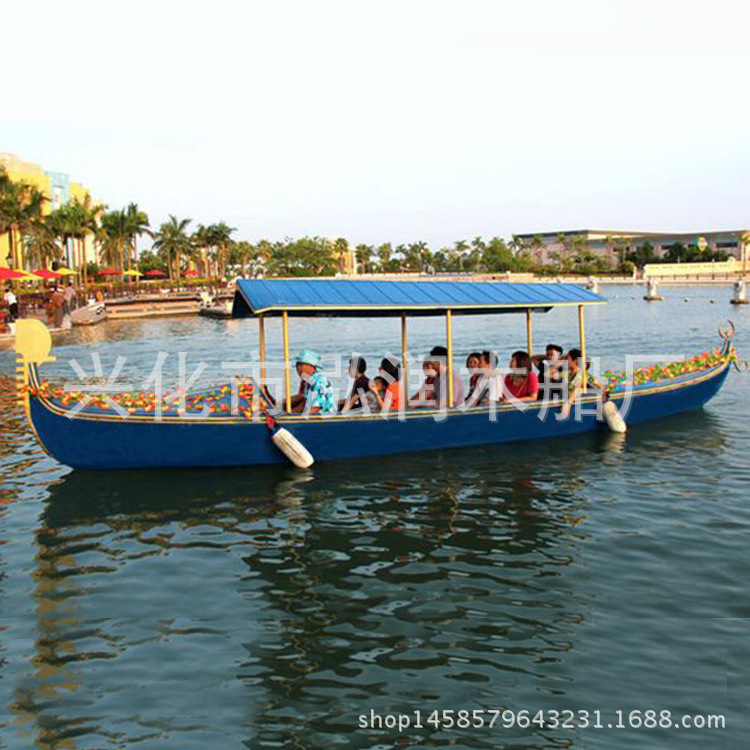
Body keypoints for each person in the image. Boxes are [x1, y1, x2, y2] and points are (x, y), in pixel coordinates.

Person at [560, 348, 606, 417]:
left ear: (574, 361)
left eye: (567, 358)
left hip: (594, 397)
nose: (564, 360)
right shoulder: (568, 374)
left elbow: (576, 389)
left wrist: (568, 403)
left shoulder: (581, 374)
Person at [291, 349, 336, 414]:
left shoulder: (319, 381)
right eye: (297, 365)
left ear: (311, 366)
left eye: (301, 365)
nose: (298, 368)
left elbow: (316, 408)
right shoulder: (308, 382)